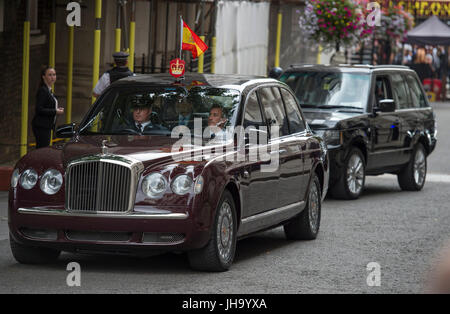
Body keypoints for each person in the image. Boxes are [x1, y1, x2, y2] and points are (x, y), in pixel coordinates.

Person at [32, 67, 64, 149]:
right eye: (50, 75)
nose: (52, 77)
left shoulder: (49, 90)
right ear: (43, 77)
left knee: (44, 149)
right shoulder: (43, 90)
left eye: (54, 75)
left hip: (47, 126)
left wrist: (56, 110)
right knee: (42, 149)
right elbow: (39, 109)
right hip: (41, 126)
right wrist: (55, 111)